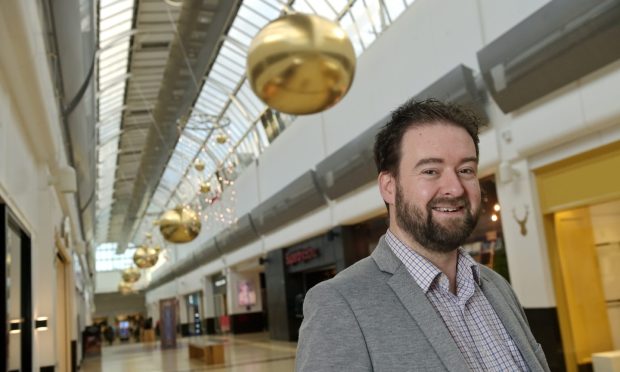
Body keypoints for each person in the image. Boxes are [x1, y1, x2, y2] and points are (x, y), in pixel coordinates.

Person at [296, 99, 550, 371]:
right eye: (430, 171)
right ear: (389, 186)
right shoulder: (338, 305)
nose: (455, 188)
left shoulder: (498, 288)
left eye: (466, 170)